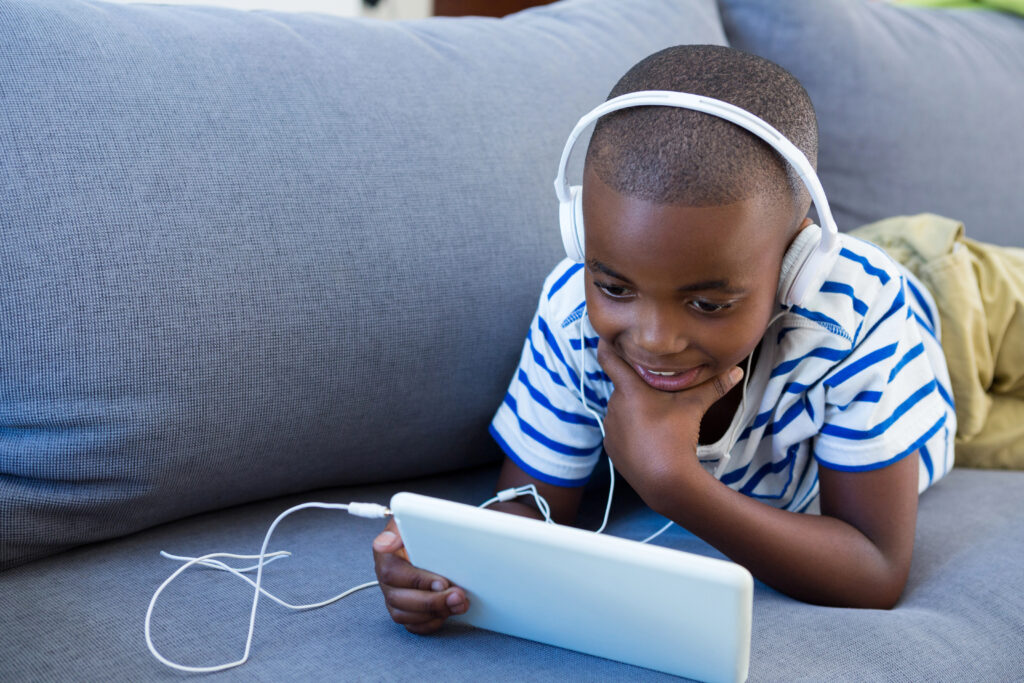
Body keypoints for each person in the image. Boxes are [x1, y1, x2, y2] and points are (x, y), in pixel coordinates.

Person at [371, 44, 959, 634]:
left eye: (707, 302)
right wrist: (449, 569)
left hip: (958, 303)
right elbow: (530, 510)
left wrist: (674, 485)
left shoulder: (859, 314)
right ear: (580, 241)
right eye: (616, 288)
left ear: (793, 269)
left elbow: (875, 571)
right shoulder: (571, 310)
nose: (654, 341)